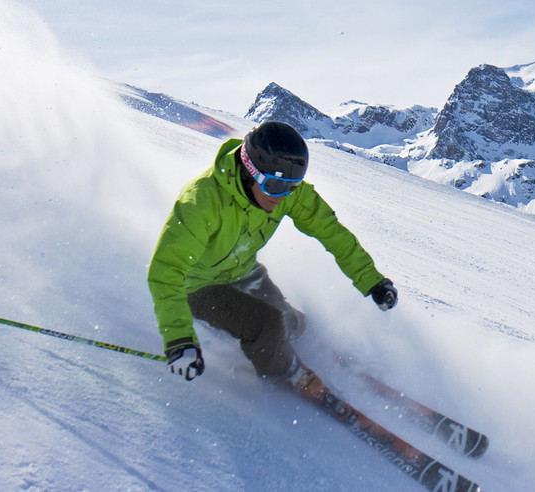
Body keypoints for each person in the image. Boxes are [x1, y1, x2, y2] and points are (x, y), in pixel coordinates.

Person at [147, 121, 398, 383]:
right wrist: (179, 340)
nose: (281, 196)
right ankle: (286, 374)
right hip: (196, 287)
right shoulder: (202, 202)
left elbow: (332, 232)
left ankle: (313, 353)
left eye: (292, 186)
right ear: (250, 170)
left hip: (243, 272)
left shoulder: (284, 191)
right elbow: (166, 271)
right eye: (275, 186)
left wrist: (373, 281)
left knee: (290, 322)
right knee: (268, 324)